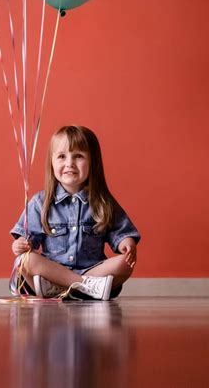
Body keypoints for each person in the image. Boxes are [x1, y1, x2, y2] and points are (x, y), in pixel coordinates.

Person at [10, 125, 140, 300]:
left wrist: (127, 243)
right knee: (25, 260)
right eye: (62, 156)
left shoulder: (102, 201)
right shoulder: (41, 202)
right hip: (53, 271)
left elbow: (121, 231)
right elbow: (26, 240)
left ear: (93, 162)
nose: (69, 163)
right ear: (52, 163)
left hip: (93, 270)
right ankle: (84, 286)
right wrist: (20, 244)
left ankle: (61, 289)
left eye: (78, 156)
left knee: (125, 262)